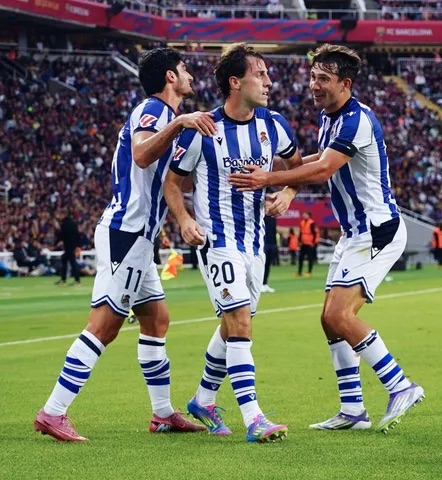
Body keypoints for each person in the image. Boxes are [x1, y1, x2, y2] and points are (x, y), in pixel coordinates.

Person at [229, 44, 424, 433]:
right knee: (329, 321)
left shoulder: (356, 120)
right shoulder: (329, 117)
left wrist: (269, 178)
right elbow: (316, 162)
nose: (314, 85)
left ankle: (401, 385)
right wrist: (280, 180)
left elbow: (323, 170)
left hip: (377, 230)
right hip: (354, 234)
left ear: (345, 84)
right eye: (313, 76)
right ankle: (353, 410)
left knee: (339, 315)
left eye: (323, 79)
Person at [34, 47, 217, 442]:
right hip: (126, 233)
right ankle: (53, 411)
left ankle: (163, 414)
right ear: (170, 76)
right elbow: (141, 154)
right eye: (184, 69)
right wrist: (180, 122)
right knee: (104, 325)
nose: (190, 75)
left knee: (156, 320)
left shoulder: (165, 117)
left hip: (139, 238)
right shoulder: (154, 110)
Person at [163, 43, 303, 443]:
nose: (269, 82)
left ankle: (203, 401)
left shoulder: (274, 125)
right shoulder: (203, 128)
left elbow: (296, 167)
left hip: (255, 245)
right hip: (217, 242)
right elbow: (172, 182)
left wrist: (287, 193)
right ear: (235, 82)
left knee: (232, 326)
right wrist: (185, 219)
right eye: (260, 74)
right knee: (240, 322)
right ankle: (254, 418)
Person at [55, 209, 81, 286]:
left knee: (72, 263)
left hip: (68, 246)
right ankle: (66, 279)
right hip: (72, 246)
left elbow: (62, 234)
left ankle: (74, 280)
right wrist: (77, 245)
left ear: (64, 214)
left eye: (60, 215)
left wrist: (57, 229)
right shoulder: (73, 222)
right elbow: (77, 234)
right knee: (67, 261)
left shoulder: (65, 223)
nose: (59, 216)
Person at [261, 215, 278, 293]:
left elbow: (274, 231)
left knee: (268, 265)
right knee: (261, 264)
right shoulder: (261, 217)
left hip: (271, 244)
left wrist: (275, 245)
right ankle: (259, 284)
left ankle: (265, 283)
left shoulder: (273, 219)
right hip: (263, 243)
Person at [297, 211, 316, 277]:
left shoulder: (312, 223)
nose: (304, 215)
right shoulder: (302, 222)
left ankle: (309, 272)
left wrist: (313, 242)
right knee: (300, 258)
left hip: (309, 243)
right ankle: (299, 272)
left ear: (309, 215)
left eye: (305, 214)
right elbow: (301, 232)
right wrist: (299, 241)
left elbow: (315, 233)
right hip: (303, 243)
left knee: (310, 258)